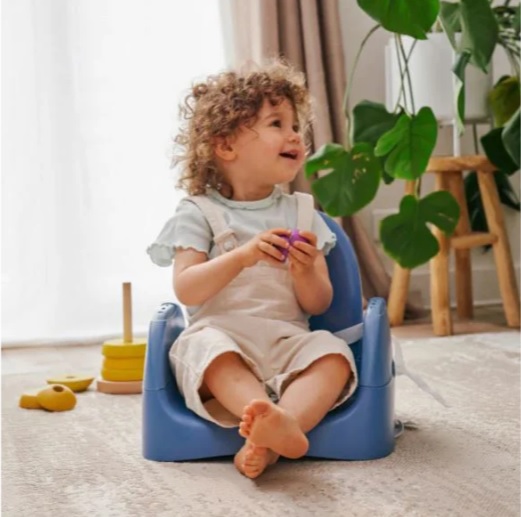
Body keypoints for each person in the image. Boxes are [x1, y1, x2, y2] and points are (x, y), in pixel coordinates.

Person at [147, 59, 358, 479]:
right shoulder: (198, 213)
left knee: (334, 355)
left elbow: (319, 302)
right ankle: (265, 422)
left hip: (286, 339)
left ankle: (281, 428)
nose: (294, 135)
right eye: (276, 123)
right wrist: (242, 256)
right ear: (226, 146)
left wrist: (304, 271)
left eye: (295, 125)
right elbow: (187, 289)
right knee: (205, 349)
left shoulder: (302, 212)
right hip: (223, 337)